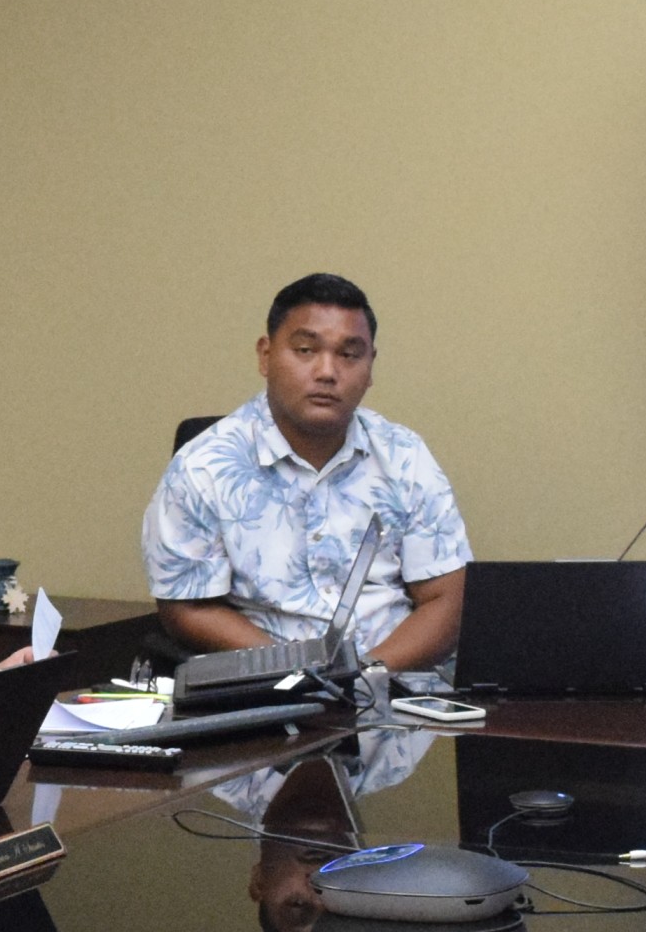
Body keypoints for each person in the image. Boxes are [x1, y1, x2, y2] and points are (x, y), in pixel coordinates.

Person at [145, 272, 473, 675]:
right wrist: (302, 672)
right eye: (305, 349)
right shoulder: (203, 468)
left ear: (370, 367)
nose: (327, 371)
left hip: (397, 692)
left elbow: (447, 599)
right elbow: (188, 607)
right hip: (271, 696)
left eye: (349, 355)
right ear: (265, 355)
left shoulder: (405, 456)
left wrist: (366, 677)